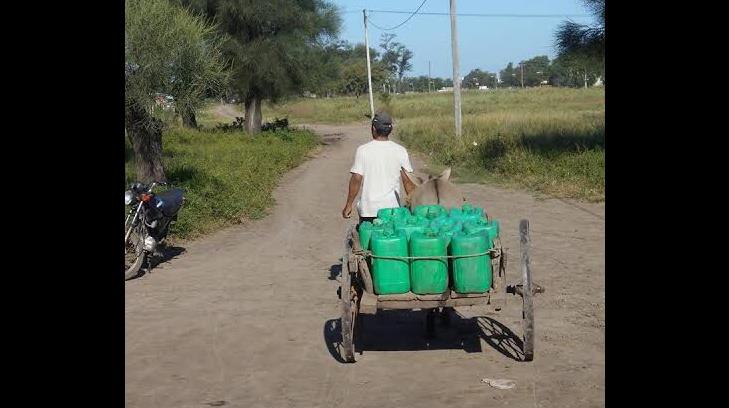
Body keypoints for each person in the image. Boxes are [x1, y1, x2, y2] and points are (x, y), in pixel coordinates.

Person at [342, 111, 416, 225]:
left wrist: (348, 204)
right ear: (390, 130)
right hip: (392, 211)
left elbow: (356, 178)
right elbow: (408, 181)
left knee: (367, 241)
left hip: (369, 210)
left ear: (373, 129)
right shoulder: (400, 150)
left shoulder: (363, 150)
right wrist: (413, 206)